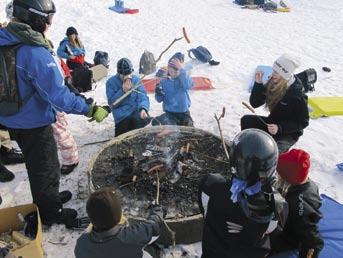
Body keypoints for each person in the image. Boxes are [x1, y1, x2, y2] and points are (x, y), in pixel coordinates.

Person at [0, 0, 110, 226]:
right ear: (35, 18)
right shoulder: (33, 52)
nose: (50, 24)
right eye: (47, 18)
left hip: (11, 116)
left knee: (36, 164)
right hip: (32, 122)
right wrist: (89, 108)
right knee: (45, 168)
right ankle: (51, 213)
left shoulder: (6, 38)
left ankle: (47, 198)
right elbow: (57, 97)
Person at [198, 129, 288, 258]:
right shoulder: (277, 203)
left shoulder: (210, 184)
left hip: (213, 251)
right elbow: (273, 231)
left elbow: (205, 211)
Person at [241, 54, 309, 153]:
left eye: (277, 72)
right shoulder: (273, 81)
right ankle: (246, 149)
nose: (273, 74)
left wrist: (280, 128)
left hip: (288, 133)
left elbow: (303, 122)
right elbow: (255, 103)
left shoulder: (297, 94)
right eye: (273, 70)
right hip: (272, 123)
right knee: (246, 120)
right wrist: (258, 84)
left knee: (271, 151)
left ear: (285, 74)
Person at [74, 187, 164, 258]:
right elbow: (154, 229)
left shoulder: (82, 243)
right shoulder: (132, 237)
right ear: (119, 217)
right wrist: (156, 213)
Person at [271, 149, 324, 258]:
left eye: (279, 172)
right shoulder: (307, 183)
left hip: (286, 237)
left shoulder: (299, 205)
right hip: (287, 218)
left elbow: (313, 241)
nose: (276, 174)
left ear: (288, 178)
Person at [106, 58, 150, 136]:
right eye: (124, 75)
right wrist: (123, 91)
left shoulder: (136, 80)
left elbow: (143, 96)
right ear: (119, 73)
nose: (127, 76)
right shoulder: (111, 82)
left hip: (136, 112)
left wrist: (143, 108)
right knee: (123, 138)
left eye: (129, 73)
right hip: (122, 116)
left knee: (143, 131)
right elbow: (112, 103)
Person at [153, 52, 194, 126]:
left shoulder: (184, 79)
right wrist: (158, 94)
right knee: (170, 130)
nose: (173, 74)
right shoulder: (163, 81)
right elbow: (159, 100)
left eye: (176, 72)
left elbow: (188, 86)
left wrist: (181, 69)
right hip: (170, 114)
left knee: (189, 129)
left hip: (184, 113)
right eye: (171, 71)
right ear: (168, 69)